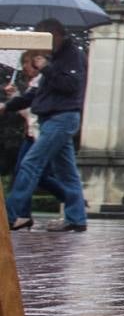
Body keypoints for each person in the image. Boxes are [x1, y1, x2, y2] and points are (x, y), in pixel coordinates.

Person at [0, 23, 89, 232]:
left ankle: (10, 215)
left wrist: (47, 68)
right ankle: (76, 218)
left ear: (54, 35)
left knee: (31, 164)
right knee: (67, 173)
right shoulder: (54, 59)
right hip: (52, 119)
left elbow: (72, 86)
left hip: (62, 118)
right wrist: (7, 106)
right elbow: (35, 95)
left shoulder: (72, 56)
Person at [5, 51, 70, 230]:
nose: (25, 67)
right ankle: (22, 215)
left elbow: (32, 110)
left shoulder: (42, 81)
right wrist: (14, 96)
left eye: (27, 62)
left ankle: (71, 197)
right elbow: (27, 113)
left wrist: (12, 101)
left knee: (31, 174)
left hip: (40, 135)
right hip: (32, 134)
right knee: (27, 174)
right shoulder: (34, 83)